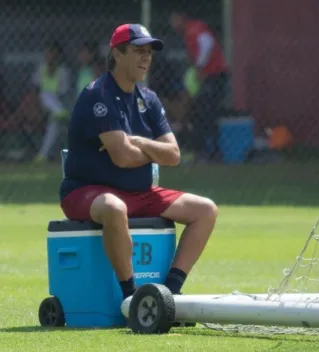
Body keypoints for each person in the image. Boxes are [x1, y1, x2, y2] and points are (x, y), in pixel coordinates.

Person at [59, 24, 218, 305]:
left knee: (206, 210)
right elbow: (123, 158)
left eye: (149, 52)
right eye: (138, 51)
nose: (146, 58)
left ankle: (168, 294)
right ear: (117, 54)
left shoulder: (150, 99)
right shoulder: (98, 95)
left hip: (140, 193)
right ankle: (131, 298)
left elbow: (174, 155)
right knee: (114, 207)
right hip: (87, 191)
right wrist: (150, 150)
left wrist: (139, 142)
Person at [169, 11, 230, 162]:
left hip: (215, 75)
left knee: (207, 111)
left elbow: (207, 43)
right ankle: (205, 150)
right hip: (208, 76)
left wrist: (200, 67)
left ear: (182, 18)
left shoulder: (194, 29)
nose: (173, 25)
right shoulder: (190, 33)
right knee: (202, 112)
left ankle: (212, 151)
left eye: (175, 20)